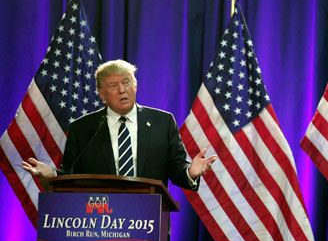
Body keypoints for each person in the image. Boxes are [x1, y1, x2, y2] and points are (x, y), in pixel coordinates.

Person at [22, 59, 216, 187]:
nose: (122, 90)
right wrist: (53, 175)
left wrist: (190, 171)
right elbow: (71, 174)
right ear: (102, 94)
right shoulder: (83, 128)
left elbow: (176, 166)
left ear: (135, 85)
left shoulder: (162, 122)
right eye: (113, 86)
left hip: (149, 218)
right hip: (100, 220)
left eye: (127, 82)